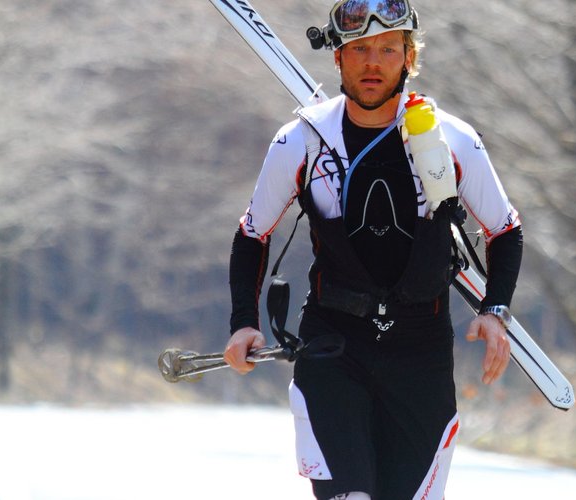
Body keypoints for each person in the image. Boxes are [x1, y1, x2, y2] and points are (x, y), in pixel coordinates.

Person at [223, 0, 523, 498]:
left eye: (388, 48)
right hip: (333, 346)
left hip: (421, 352)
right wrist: (243, 321)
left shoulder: (453, 139)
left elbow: (505, 229)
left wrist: (495, 311)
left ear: (409, 58)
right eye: (359, 49)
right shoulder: (301, 141)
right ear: (338, 57)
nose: (373, 62)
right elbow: (253, 234)